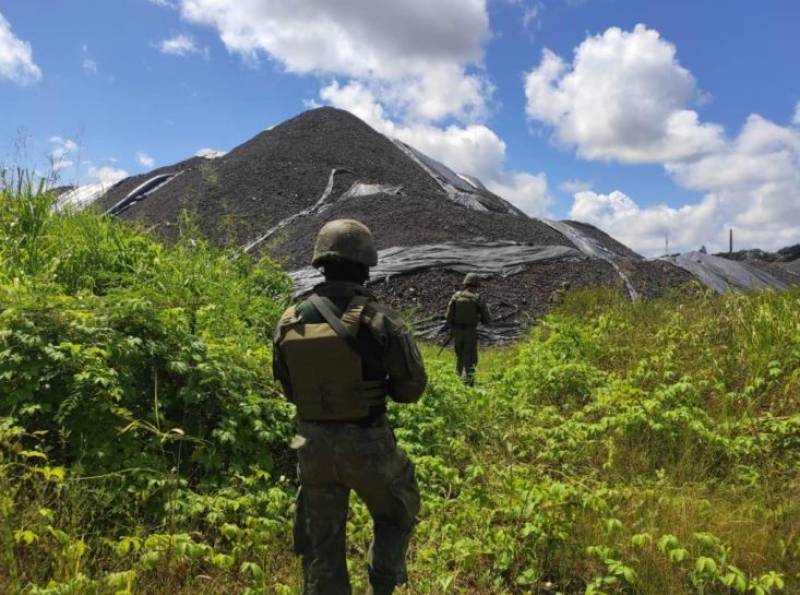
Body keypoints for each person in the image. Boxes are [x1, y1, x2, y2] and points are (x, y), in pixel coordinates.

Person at [273, 219, 427, 595]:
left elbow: (289, 389)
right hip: (368, 443)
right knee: (398, 510)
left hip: (311, 447)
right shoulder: (378, 318)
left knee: (320, 541)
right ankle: (382, 586)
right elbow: (411, 389)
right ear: (366, 265)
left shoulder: (290, 320)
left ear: (321, 264)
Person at [445, 273, 490, 386]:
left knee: (459, 357)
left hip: (457, 332)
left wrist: (453, 327)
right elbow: (487, 319)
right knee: (471, 359)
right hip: (470, 332)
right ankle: (469, 384)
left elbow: (448, 317)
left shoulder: (456, 296)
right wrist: (478, 317)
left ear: (465, 283)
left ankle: (457, 382)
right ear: (477, 285)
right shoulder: (478, 298)